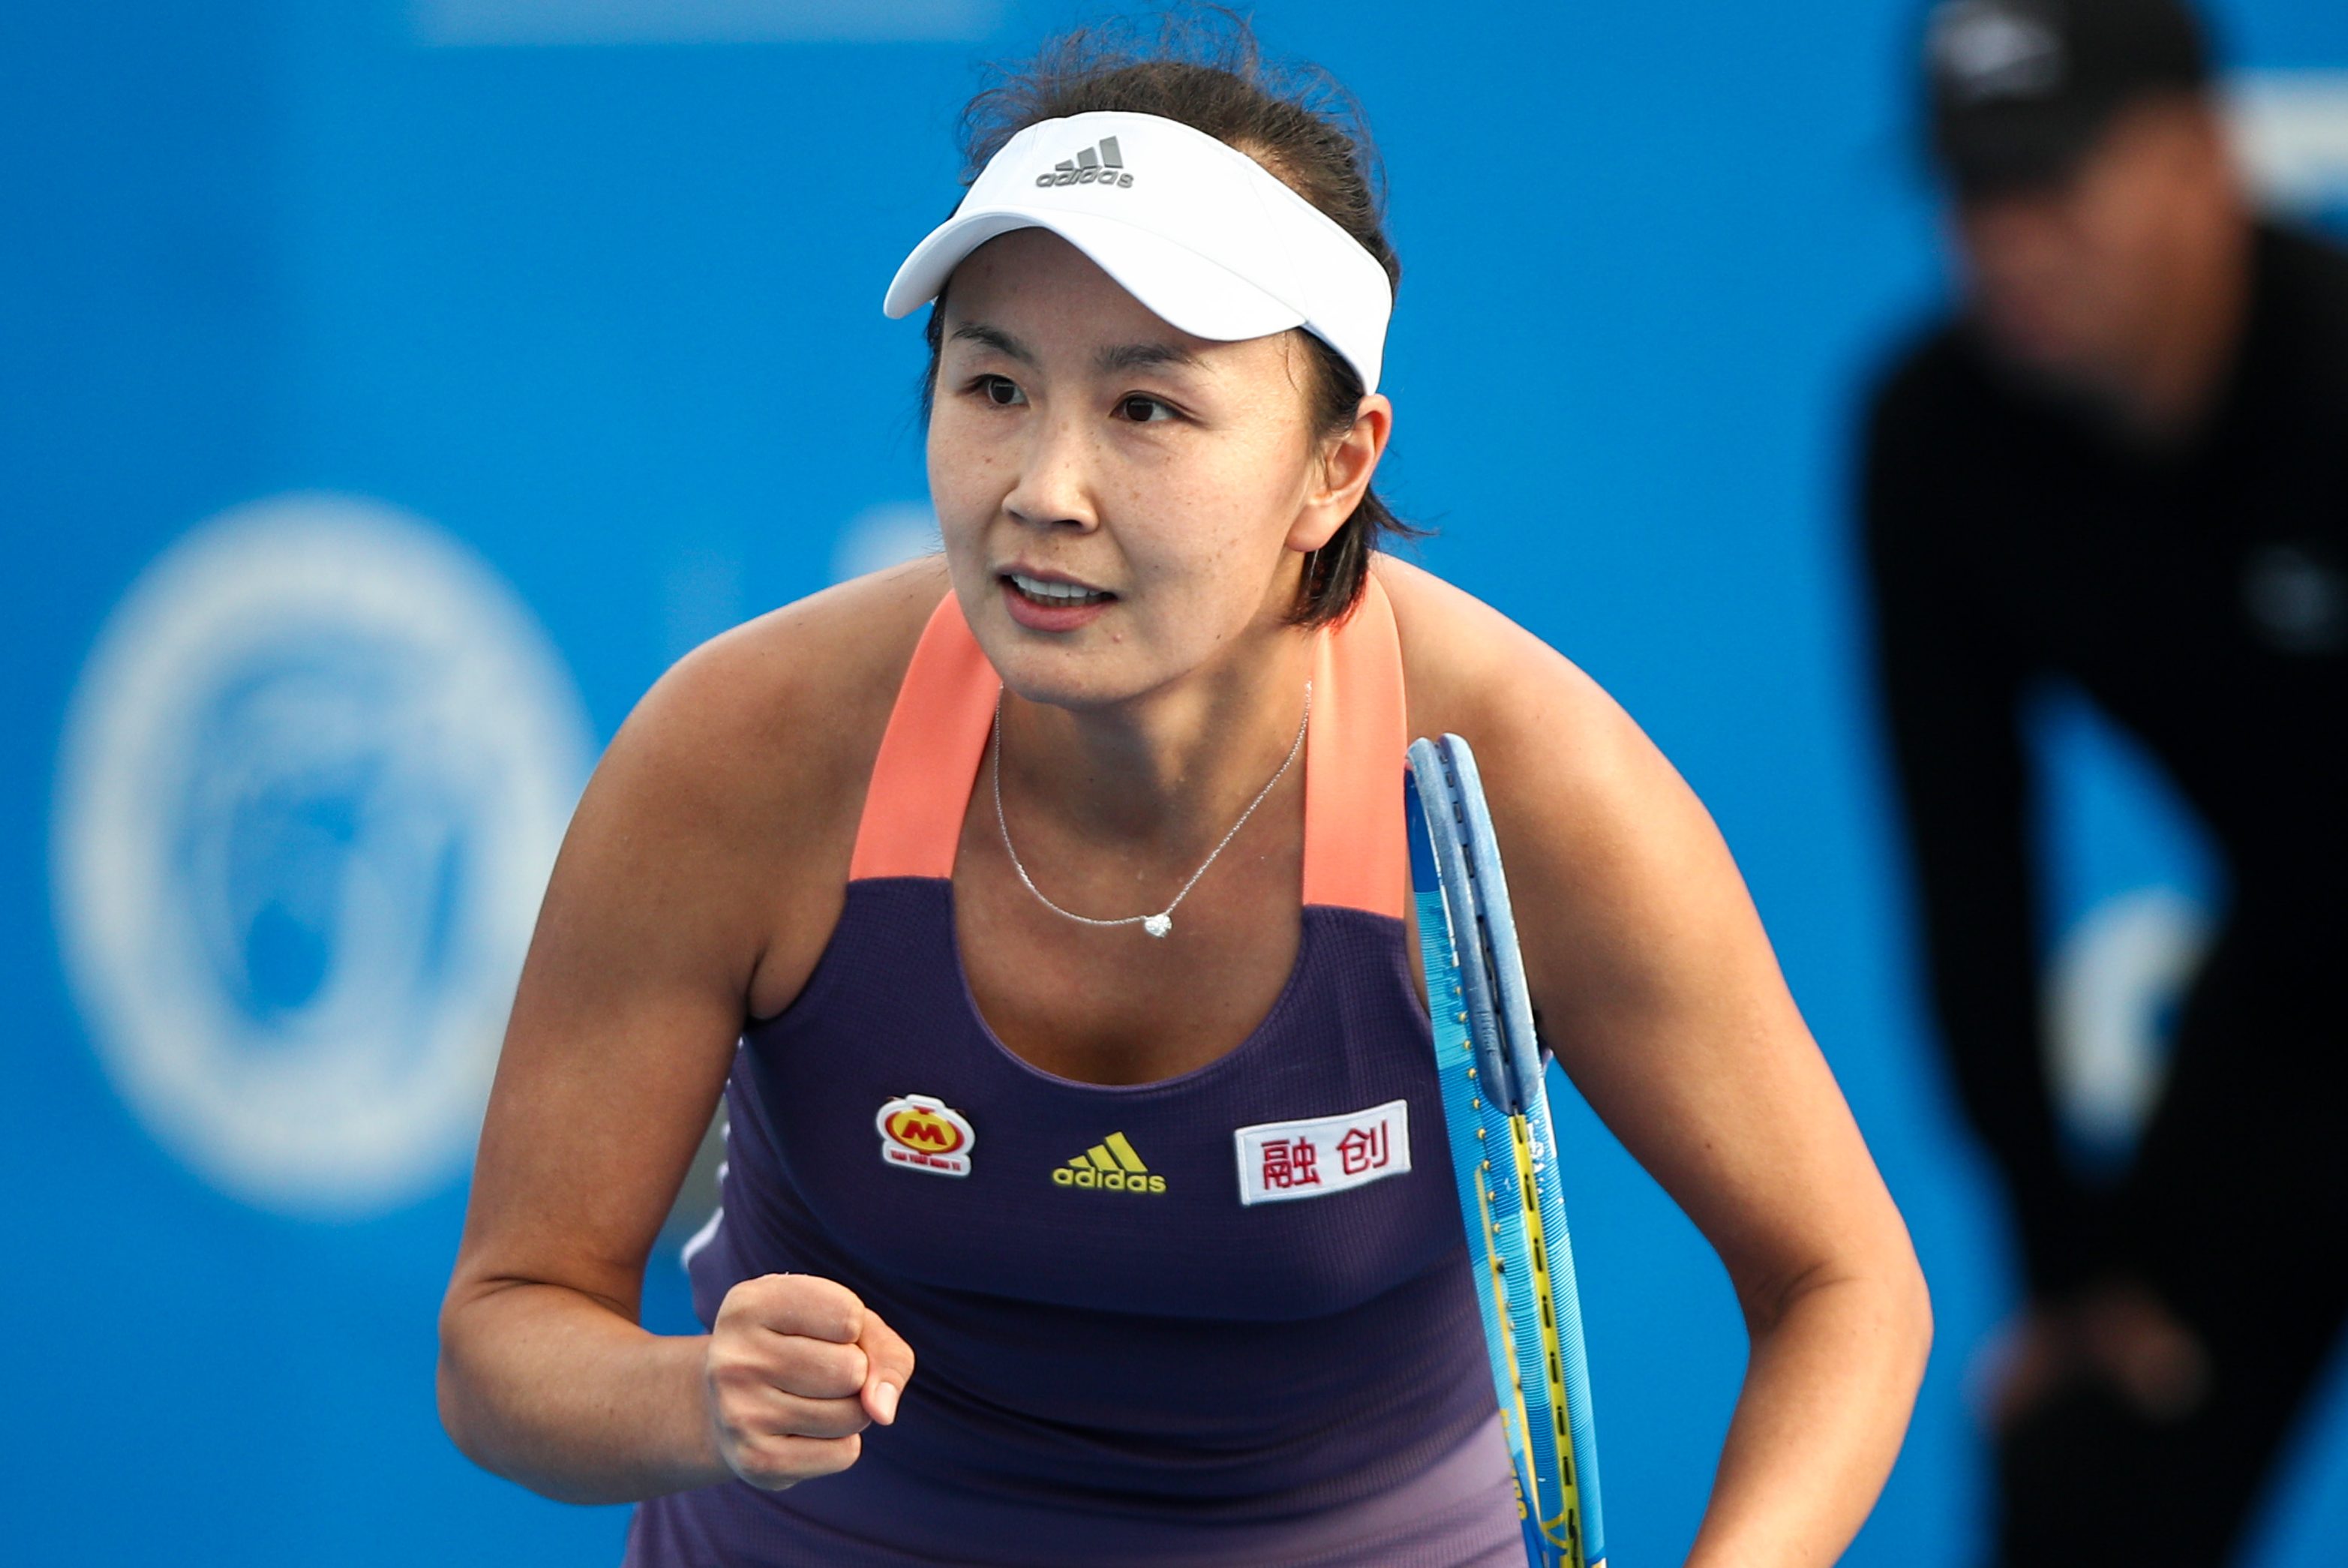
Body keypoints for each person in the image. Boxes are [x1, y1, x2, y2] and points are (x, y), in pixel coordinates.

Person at [438, 17, 1929, 1566]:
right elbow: (503, 1337)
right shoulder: (745, 752)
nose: (1043, 487)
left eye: (1145, 407)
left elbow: (1843, 1286)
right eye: (993, 385)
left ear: (1334, 466)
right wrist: (693, 1401)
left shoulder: (1520, 785)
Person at [1860, 0, 2348, 1562]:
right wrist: (2063, 1274)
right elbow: (1967, 866)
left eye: (2051, 179)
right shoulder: (1933, 446)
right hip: (2310, 987)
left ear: (2207, 160)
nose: (2004, 241)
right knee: (2089, 1465)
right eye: (1966, 191)